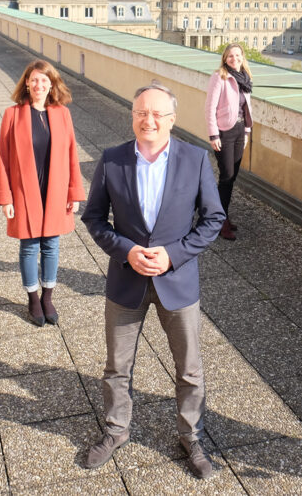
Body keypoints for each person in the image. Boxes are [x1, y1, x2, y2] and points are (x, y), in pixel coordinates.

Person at [81, 82, 225, 479]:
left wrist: (174, 253)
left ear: (172, 120)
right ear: (132, 116)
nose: (149, 120)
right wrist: (125, 250)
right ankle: (116, 430)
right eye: (141, 112)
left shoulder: (194, 160)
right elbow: (93, 218)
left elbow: (213, 219)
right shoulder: (111, 160)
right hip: (126, 280)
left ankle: (191, 436)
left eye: (157, 114)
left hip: (177, 281)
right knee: (116, 367)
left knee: (189, 368)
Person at [0, 60, 85, 326]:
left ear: (51, 84)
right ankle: (33, 299)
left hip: (54, 189)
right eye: (34, 80)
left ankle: (48, 297)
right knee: (29, 245)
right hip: (25, 190)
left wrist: (74, 193)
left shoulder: (62, 114)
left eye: (44, 80)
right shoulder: (13, 115)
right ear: (26, 83)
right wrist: (6, 197)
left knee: (51, 246)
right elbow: (3, 158)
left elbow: (71, 155)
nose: (39, 85)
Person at [204, 42, 252, 241]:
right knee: (226, 176)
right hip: (224, 132)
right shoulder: (219, 77)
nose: (234, 59)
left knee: (231, 178)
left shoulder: (245, 78)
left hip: (240, 130)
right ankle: (218, 220)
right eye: (230, 56)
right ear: (225, 58)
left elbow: (247, 107)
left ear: (242, 57)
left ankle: (219, 215)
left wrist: (247, 131)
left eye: (238, 55)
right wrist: (213, 135)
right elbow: (210, 107)